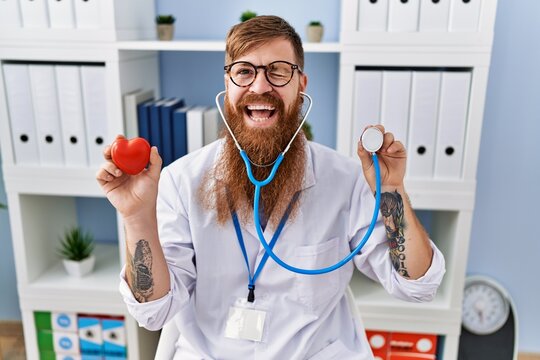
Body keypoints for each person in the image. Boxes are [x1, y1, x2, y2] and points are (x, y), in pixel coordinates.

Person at [96, 15, 445, 359]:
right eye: (244, 71)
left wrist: (392, 190)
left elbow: (416, 286)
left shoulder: (345, 179)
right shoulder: (181, 180)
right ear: (228, 84)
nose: (260, 86)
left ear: (301, 83)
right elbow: (153, 311)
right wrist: (136, 216)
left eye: (278, 71)